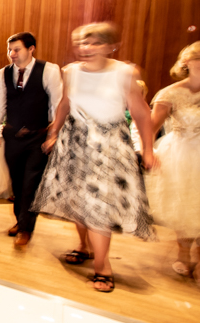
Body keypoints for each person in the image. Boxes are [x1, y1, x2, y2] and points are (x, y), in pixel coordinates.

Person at [33, 22, 157, 293]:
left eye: (94, 43)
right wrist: (53, 133)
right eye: (81, 43)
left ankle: (103, 266)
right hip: (74, 142)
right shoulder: (71, 71)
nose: (85, 48)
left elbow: (141, 112)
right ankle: (83, 246)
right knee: (76, 198)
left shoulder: (124, 72)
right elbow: (65, 104)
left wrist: (148, 149)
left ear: (110, 46)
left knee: (98, 205)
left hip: (108, 147)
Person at [0, 32, 63, 247]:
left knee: (31, 184)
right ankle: (21, 221)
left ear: (31, 49)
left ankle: (25, 229)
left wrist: (54, 133)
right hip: (11, 136)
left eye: (17, 49)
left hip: (38, 137)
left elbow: (57, 104)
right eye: (9, 50)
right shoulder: (2, 74)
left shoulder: (49, 70)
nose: (12, 54)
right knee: (17, 184)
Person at [146, 42, 200, 286]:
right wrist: (147, 151)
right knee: (184, 203)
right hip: (181, 154)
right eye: (197, 58)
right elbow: (150, 127)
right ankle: (183, 252)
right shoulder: (170, 93)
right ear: (186, 62)